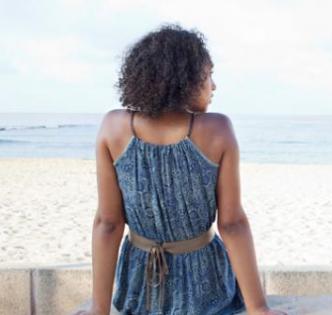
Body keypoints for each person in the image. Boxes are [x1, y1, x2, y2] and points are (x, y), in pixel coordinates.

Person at [75, 24, 287, 315]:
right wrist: (259, 308)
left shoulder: (113, 128)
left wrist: (99, 310)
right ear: (184, 78)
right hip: (207, 288)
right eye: (209, 75)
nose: (214, 86)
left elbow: (108, 224)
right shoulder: (218, 129)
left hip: (140, 290)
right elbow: (232, 224)